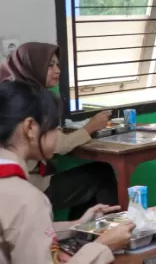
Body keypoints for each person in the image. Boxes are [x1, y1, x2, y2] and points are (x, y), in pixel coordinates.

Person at [0, 81, 143, 264]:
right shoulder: (23, 196)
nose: (57, 136)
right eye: (54, 128)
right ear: (30, 128)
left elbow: (14, 235)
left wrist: (77, 225)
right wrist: (102, 246)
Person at [0, 43, 116, 219]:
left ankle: (84, 231)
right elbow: (61, 146)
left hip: (26, 183)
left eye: (57, 65)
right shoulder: (29, 100)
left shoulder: (9, 91)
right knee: (102, 174)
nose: (57, 70)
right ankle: (103, 230)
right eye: (50, 65)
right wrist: (91, 126)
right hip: (34, 186)